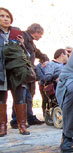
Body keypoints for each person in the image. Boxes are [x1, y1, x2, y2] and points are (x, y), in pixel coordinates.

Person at [10, 23, 49, 128]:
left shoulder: (31, 41)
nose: (41, 36)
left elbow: (37, 53)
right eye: (41, 34)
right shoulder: (22, 36)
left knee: (28, 96)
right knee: (20, 96)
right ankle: (16, 120)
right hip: (21, 71)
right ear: (36, 32)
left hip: (28, 72)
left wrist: (45, 59)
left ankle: (29, 117)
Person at [0, 7, 31, 136]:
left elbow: (27, 55)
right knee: (1, 98)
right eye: (2, 16)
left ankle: (22, 125)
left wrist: (22, 44)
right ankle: (2, 126)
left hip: (16, 70)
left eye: (7, 16)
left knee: (20, 97)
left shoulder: (17, 32)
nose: (5, 19)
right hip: (1, 69)